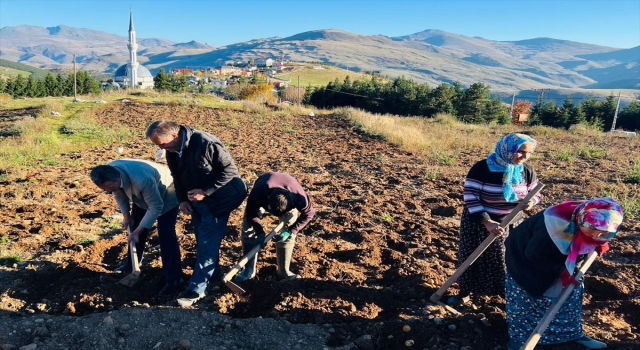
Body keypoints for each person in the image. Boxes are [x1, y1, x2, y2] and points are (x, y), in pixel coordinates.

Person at [145, 120, 247, 307]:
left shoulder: (205, 143)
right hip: (197, 200)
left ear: (174, 136)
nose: (160, 148)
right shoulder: (172, 150)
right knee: (202, 238)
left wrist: (205, 191)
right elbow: (177, 176)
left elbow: (230, 171)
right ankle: (215, 276)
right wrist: (182, 199)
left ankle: (196, 290)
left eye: (161, 143)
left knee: (207, 241)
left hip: (222, 197)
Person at [505, 197, 624, 350]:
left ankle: (571, 334)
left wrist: (599, 242)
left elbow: (597, 232)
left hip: (563, 259)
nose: (596, 236)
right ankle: (520, 339)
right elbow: (534, 255)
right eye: (593, 231)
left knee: (570, 296)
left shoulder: (595, 219)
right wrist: (560, 272)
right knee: (526, 301)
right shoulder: (555, 224)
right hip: (525, 259)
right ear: (582, 221)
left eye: (604, 233)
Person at [448, 133, 541, 305]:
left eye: (528, 153)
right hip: (479, 222)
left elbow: (536, 193)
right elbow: (471, 197)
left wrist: (530, 203)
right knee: (474, 257)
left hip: (512, 223)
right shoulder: (482, 168)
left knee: (508, 260)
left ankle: (507, 294)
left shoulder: (526, 171)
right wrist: (487, 221)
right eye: (520, 152)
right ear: (507, 149)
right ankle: (465, 292)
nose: (524, 157)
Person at [89, 159, 183, 296]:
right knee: (134, 224)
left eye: (109, 187)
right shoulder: (109, 173)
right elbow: (118, 193)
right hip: (138, 192)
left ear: (119, 178)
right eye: (104, 189)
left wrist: (139, 230)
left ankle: (174, 279)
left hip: (167, 190)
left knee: (166, 233)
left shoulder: (142, 180)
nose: (108, 192)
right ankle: (132, 262)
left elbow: (156, 207)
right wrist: (127, 216)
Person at [234, 172, 316, 283]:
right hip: (264, 187)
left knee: (289, 235)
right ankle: (248, 271)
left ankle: (283, 271)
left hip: (289, 192)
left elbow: (309, 214)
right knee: (248, 230)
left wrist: (291, 231)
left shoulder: (298, 197)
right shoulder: (258, 193)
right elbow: (251, 214)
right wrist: (259, 232)